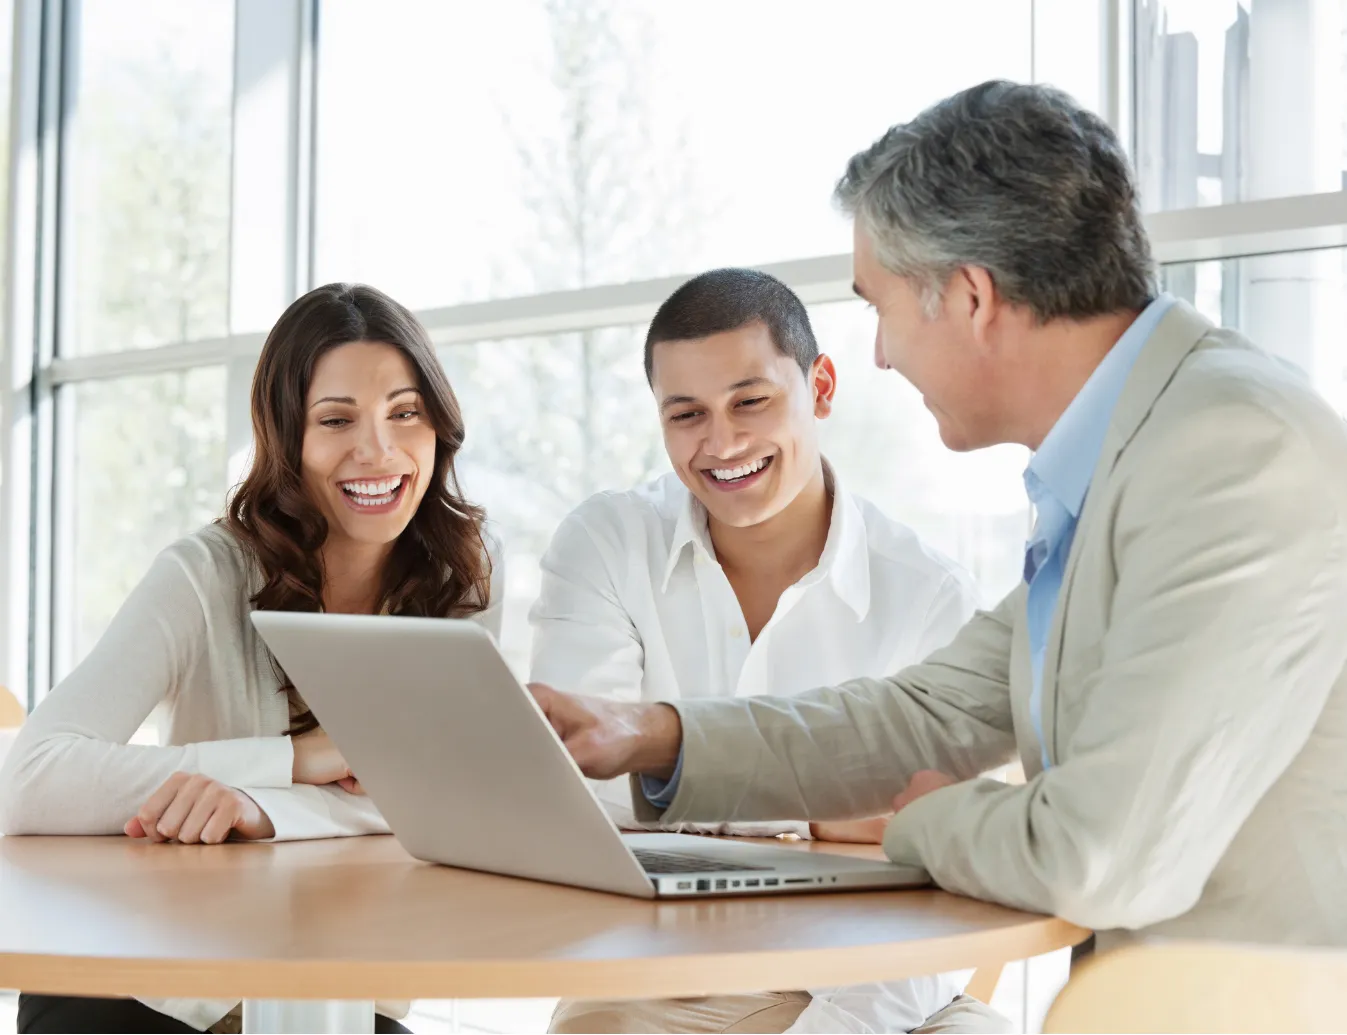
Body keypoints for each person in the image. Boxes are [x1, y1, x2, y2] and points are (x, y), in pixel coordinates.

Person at [529, 80, 1347, 971]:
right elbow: (927, 709)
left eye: (879, 305)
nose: (879, 351)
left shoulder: (1226, 449)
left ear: (968, 296)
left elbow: (1094, 854)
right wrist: (653, 735)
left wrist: (919, 818)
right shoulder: (1128, 453)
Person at [0, 282, 503, 1034]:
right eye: (336, 420)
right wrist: (295, 758)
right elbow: (28, 780)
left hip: (342, 995)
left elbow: (457, 801)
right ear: (287, 437)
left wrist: (260, 806)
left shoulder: (463, 576)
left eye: (406, 412)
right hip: (153, 988)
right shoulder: (205, 573)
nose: (379, 450)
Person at [531, 267, 1007, 1034]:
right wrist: (812, 823)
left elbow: (928, 866)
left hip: (872, 980)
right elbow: (572, 797)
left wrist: (685, 803)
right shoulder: (608, 542)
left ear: (820, 387)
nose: (721, 442)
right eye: (686, 414)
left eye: (750, 401)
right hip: (651, 980)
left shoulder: (926, 594)